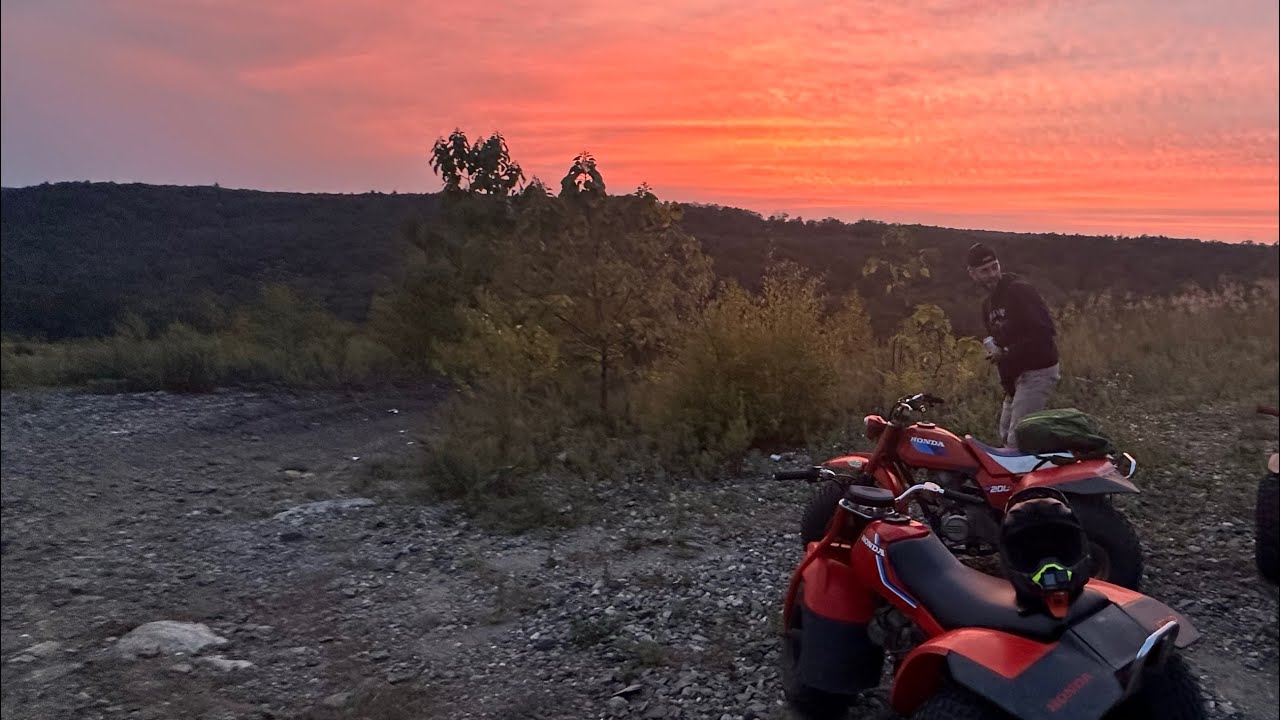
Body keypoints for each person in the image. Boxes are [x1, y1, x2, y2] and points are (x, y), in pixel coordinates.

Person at [967, 242, 1060, 448]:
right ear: (972, 274)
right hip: (1015, 378)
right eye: (984, 271)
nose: (992, 274)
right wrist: (1008, 384)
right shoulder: (988, 305)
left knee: (1017, 441)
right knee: (1004, 437)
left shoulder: (1019, 291)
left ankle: (1035, 479)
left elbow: (1045, 332)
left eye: (994, 267)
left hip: (1038, 371)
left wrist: (1007, 352)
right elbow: (999, 344)